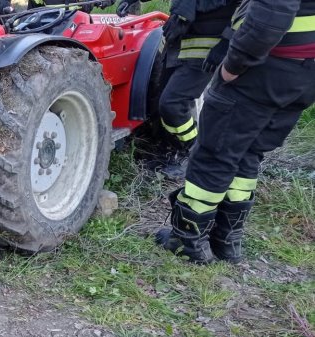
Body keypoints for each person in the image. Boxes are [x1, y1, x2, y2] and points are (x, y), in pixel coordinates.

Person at [156, 0, 315, 264]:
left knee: (215, 153)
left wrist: (234, 64)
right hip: (303, 74)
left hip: (266, 66)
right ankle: (227, 240)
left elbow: (269, 17)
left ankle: (188, 240)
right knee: (248, 152)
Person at [117, 0, 240, 178]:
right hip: (180, 42)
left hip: (207, 49)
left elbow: (249, 9)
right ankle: (170, 150)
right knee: (159, 104)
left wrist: (227, 42)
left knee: (172, 104)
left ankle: (194, 152)